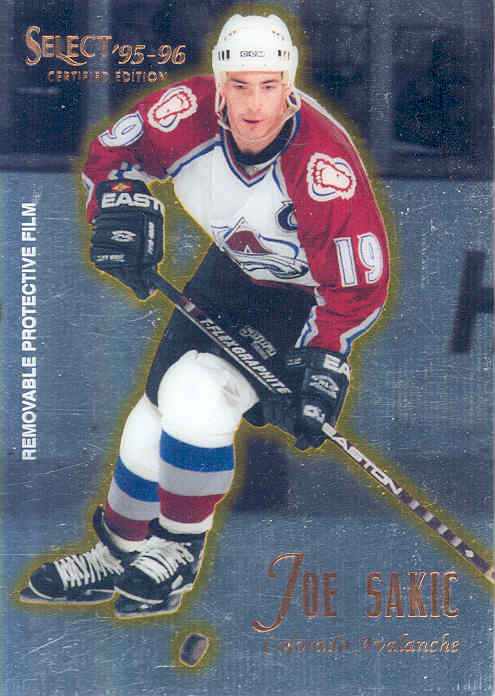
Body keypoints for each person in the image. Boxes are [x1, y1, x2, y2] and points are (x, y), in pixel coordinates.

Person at [20, 14, 389, 618]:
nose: (253, 104)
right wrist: (118, 201)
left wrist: (325, 360)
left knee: (197, 396)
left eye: (269, 86)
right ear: (219, 83)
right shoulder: (183, 115)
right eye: (239, 85)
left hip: (301, 299)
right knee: (153, 414)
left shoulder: (323, 167)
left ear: (289, 85)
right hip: (229, 274)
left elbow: (357, 283)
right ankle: (117, 552)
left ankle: (177, 550)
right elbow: (113, 156)